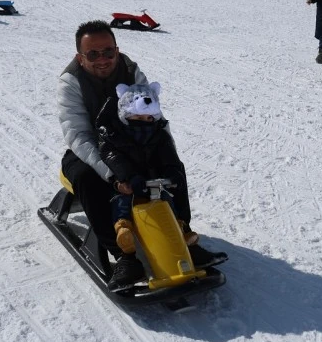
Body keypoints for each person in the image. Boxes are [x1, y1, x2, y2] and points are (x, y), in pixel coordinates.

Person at [58, 21, 228, 289]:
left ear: (117, 49)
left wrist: (165, 155)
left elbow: (155, 117)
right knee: (88, 179)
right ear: (81, 57)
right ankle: (122, 255)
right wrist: (112, 172)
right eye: (93, 54)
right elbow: (78, 134)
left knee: (173, 167)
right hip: (90, 153)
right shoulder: (71, 81)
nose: (102, 59)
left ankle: (183, 236)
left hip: (132, 145)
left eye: (108, 52)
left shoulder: (130, 71)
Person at [96, 81, 200, 289]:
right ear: (126, 117)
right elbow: (111, 156)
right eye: (137, 118)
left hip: (151, 181)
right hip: (127, 183)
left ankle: (180, 229)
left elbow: (168, 155)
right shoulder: (114, 134)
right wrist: (128, 176)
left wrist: (172, 172)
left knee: (167, 202)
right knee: (122, 202)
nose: (144, 121)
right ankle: (123, 231)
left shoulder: (158, 133)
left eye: (147, 117)